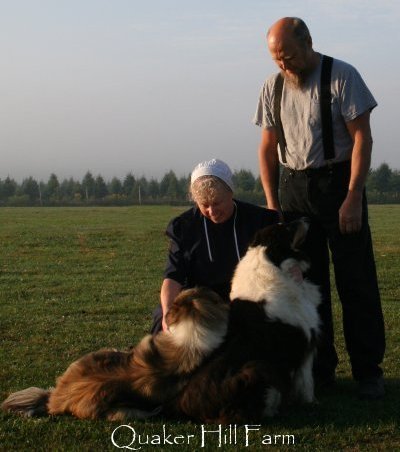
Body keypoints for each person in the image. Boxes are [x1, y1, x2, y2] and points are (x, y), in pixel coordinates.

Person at [253, 17, 385, 399]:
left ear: (308, 42)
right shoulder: (271, 86)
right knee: (308, 287)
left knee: (356, 281)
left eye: (288, 55)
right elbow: (267, 147)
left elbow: (363, 137)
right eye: (276, 58)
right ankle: (322, 370)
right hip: (294, 192)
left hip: (337, 184)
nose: (283, 64)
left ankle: (368, 372)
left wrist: (353, 196)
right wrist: (272, 204)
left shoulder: (343, 76)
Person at [151, 158, 279, 334]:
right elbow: (173, 277)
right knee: (167, 324)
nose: (212, 211)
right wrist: (167, 313)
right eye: (204, 205)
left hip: (245, 298)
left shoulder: (258, 220)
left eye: (217, 203)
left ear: (230, 193)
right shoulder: (184, 227)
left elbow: (279, 256)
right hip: (199, 300)